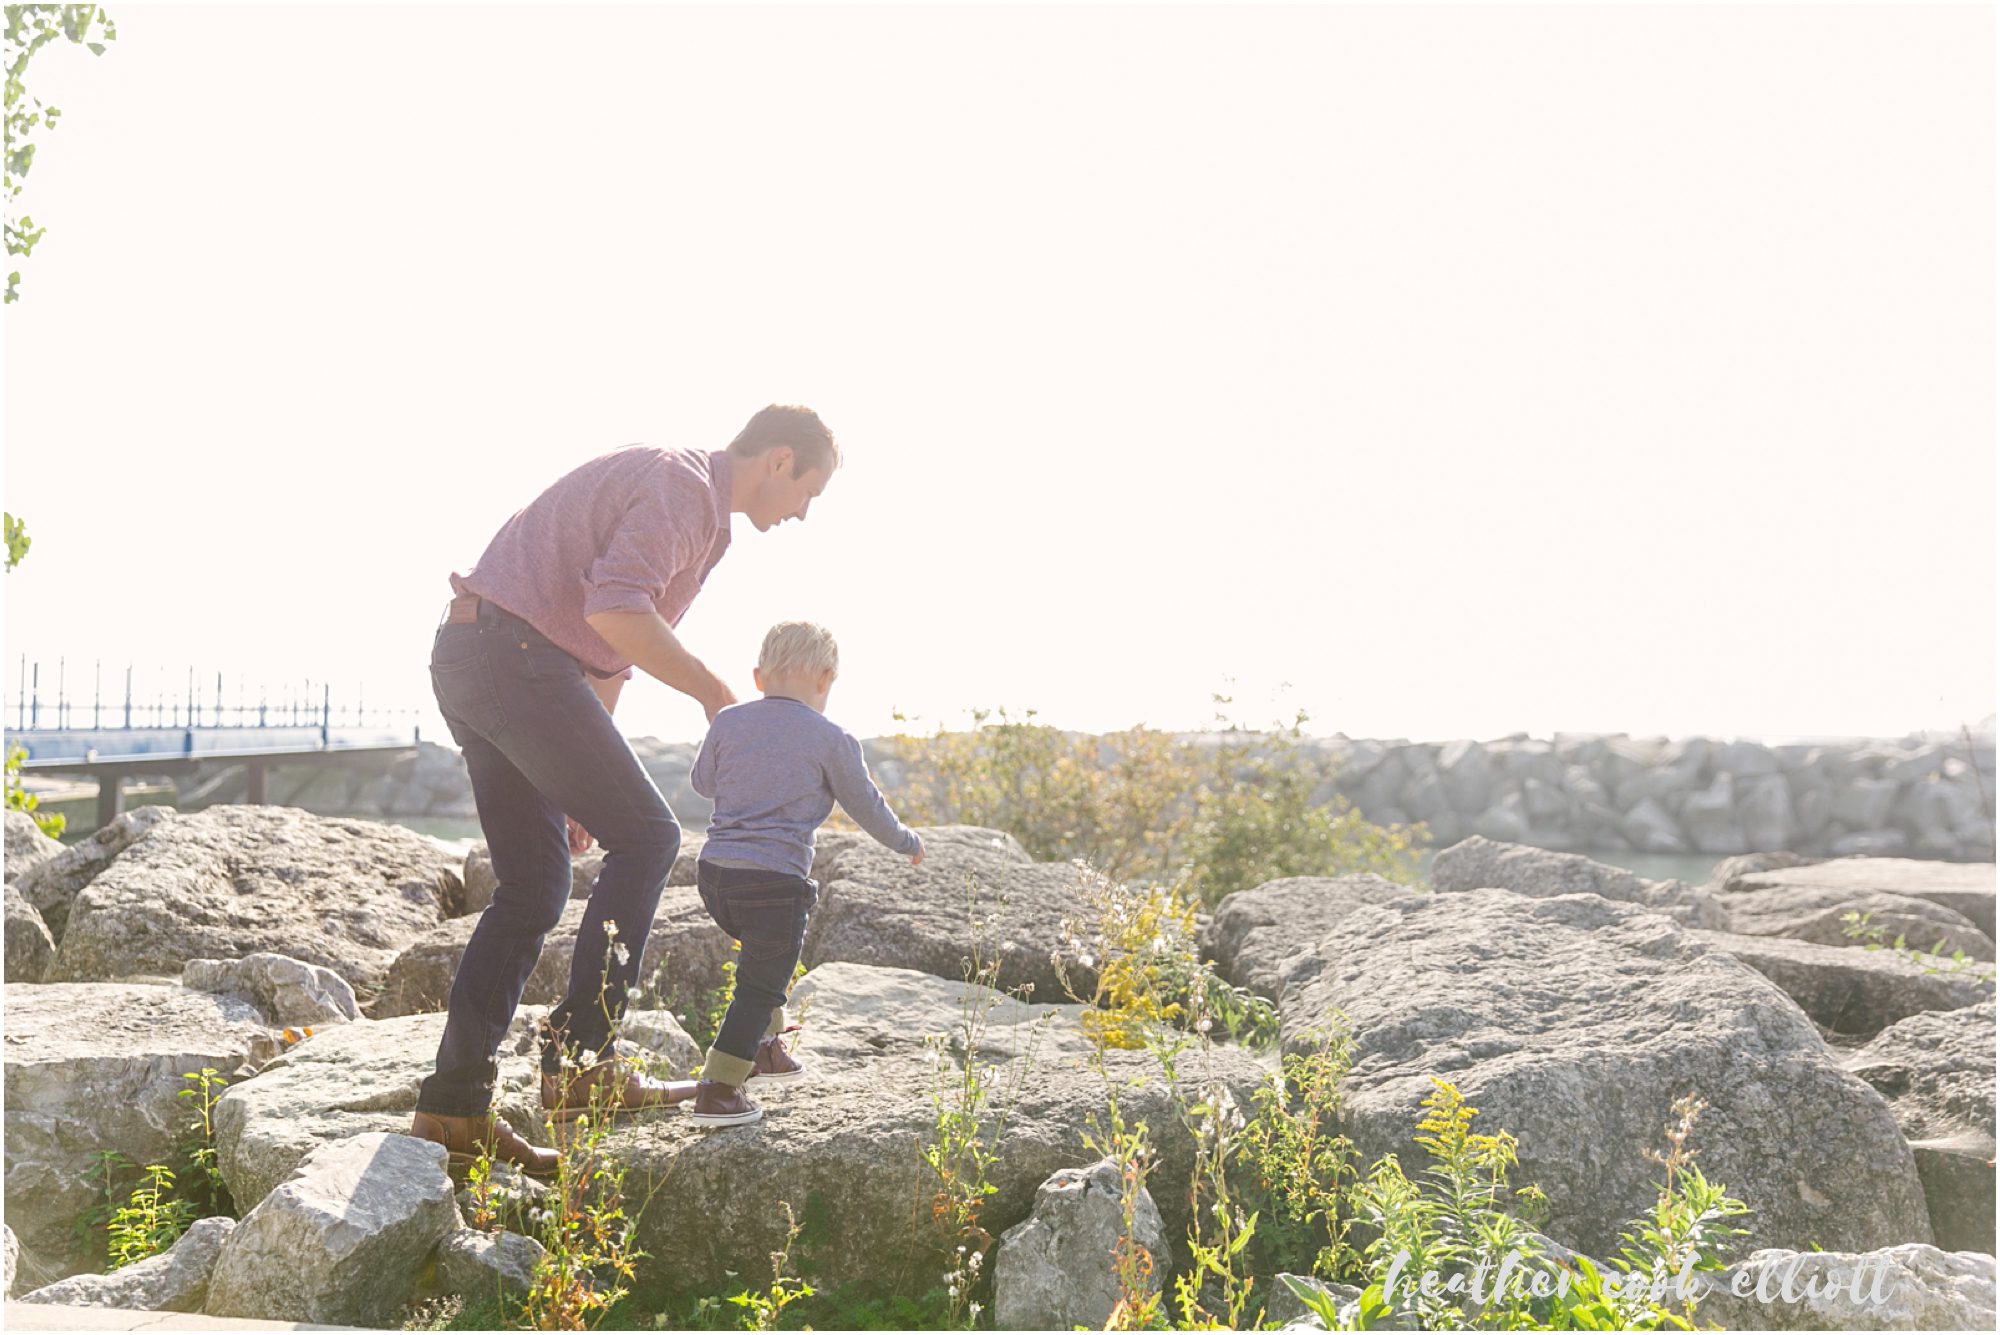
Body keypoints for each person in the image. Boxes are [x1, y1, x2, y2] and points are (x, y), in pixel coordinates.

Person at [407, 405, 839, 1178]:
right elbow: (614, 609)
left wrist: (577, 785)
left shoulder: (706, 520)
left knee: (536, 886)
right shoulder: (683, 487)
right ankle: (580, 1062)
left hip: (481, 658)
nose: (804, 511)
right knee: (651, 838)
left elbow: (609, 652)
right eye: (810, 490)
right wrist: (712, 690)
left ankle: (452, 1108)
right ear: (780, 460)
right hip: (511, 656)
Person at [685, 620, 924, 1127]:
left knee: (761, 968)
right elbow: (867, 806)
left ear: (757, 677)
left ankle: (768, 1051)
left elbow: (702, 782)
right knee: (761, 985)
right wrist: (906, 842)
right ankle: (720, 1089)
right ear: (826, 679)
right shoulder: (831, 737)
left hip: (715, 876)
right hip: (775, 882)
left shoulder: (728, 720)